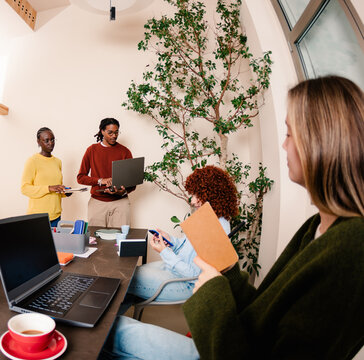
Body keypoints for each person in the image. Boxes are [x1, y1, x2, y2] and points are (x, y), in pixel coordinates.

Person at [105, 76, 364, 359]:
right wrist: (227, 273)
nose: (283, 145)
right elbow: (262, 314)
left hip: (223, 345)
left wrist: (212, 291)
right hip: (231, 334)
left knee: (109, 329)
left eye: (289, 133)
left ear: (319, 141)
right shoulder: (315, 228)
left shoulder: (351, 247)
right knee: (111, 324)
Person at [126, 166, 238, 303]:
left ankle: (109, 322)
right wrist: (170, 240)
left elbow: (193, 274)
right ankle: (112, 321)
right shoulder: (206, 217)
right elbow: (186, 250)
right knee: (127, 275)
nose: (192, 201)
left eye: (198, 196)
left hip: (186, 284)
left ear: (213, 196)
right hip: (175, 272)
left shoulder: (218, 227)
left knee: (122, 280)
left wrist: (164, 252)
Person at [77, 118, 135, 227]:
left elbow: (132, 184)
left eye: (116, 132)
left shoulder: (125, 152)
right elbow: (81, 177)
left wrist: (121, 192)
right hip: (97, 202)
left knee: (120, 239)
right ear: (102, 131)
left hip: (120, 203)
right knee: (95, 240)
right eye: (110, 133)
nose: (114, 136)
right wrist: (100, 181)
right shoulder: (92, 150)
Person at [21, 127, 70, 227]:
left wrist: (65, 192)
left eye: (52, 139)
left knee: (55, 243)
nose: (50, 143)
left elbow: (57, 189)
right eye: (46, 140)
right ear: (38, 142)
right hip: (38, 217)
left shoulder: (58, 162)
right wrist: (48, 188)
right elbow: (24, 188)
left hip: (56, 216)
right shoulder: (33, 161)